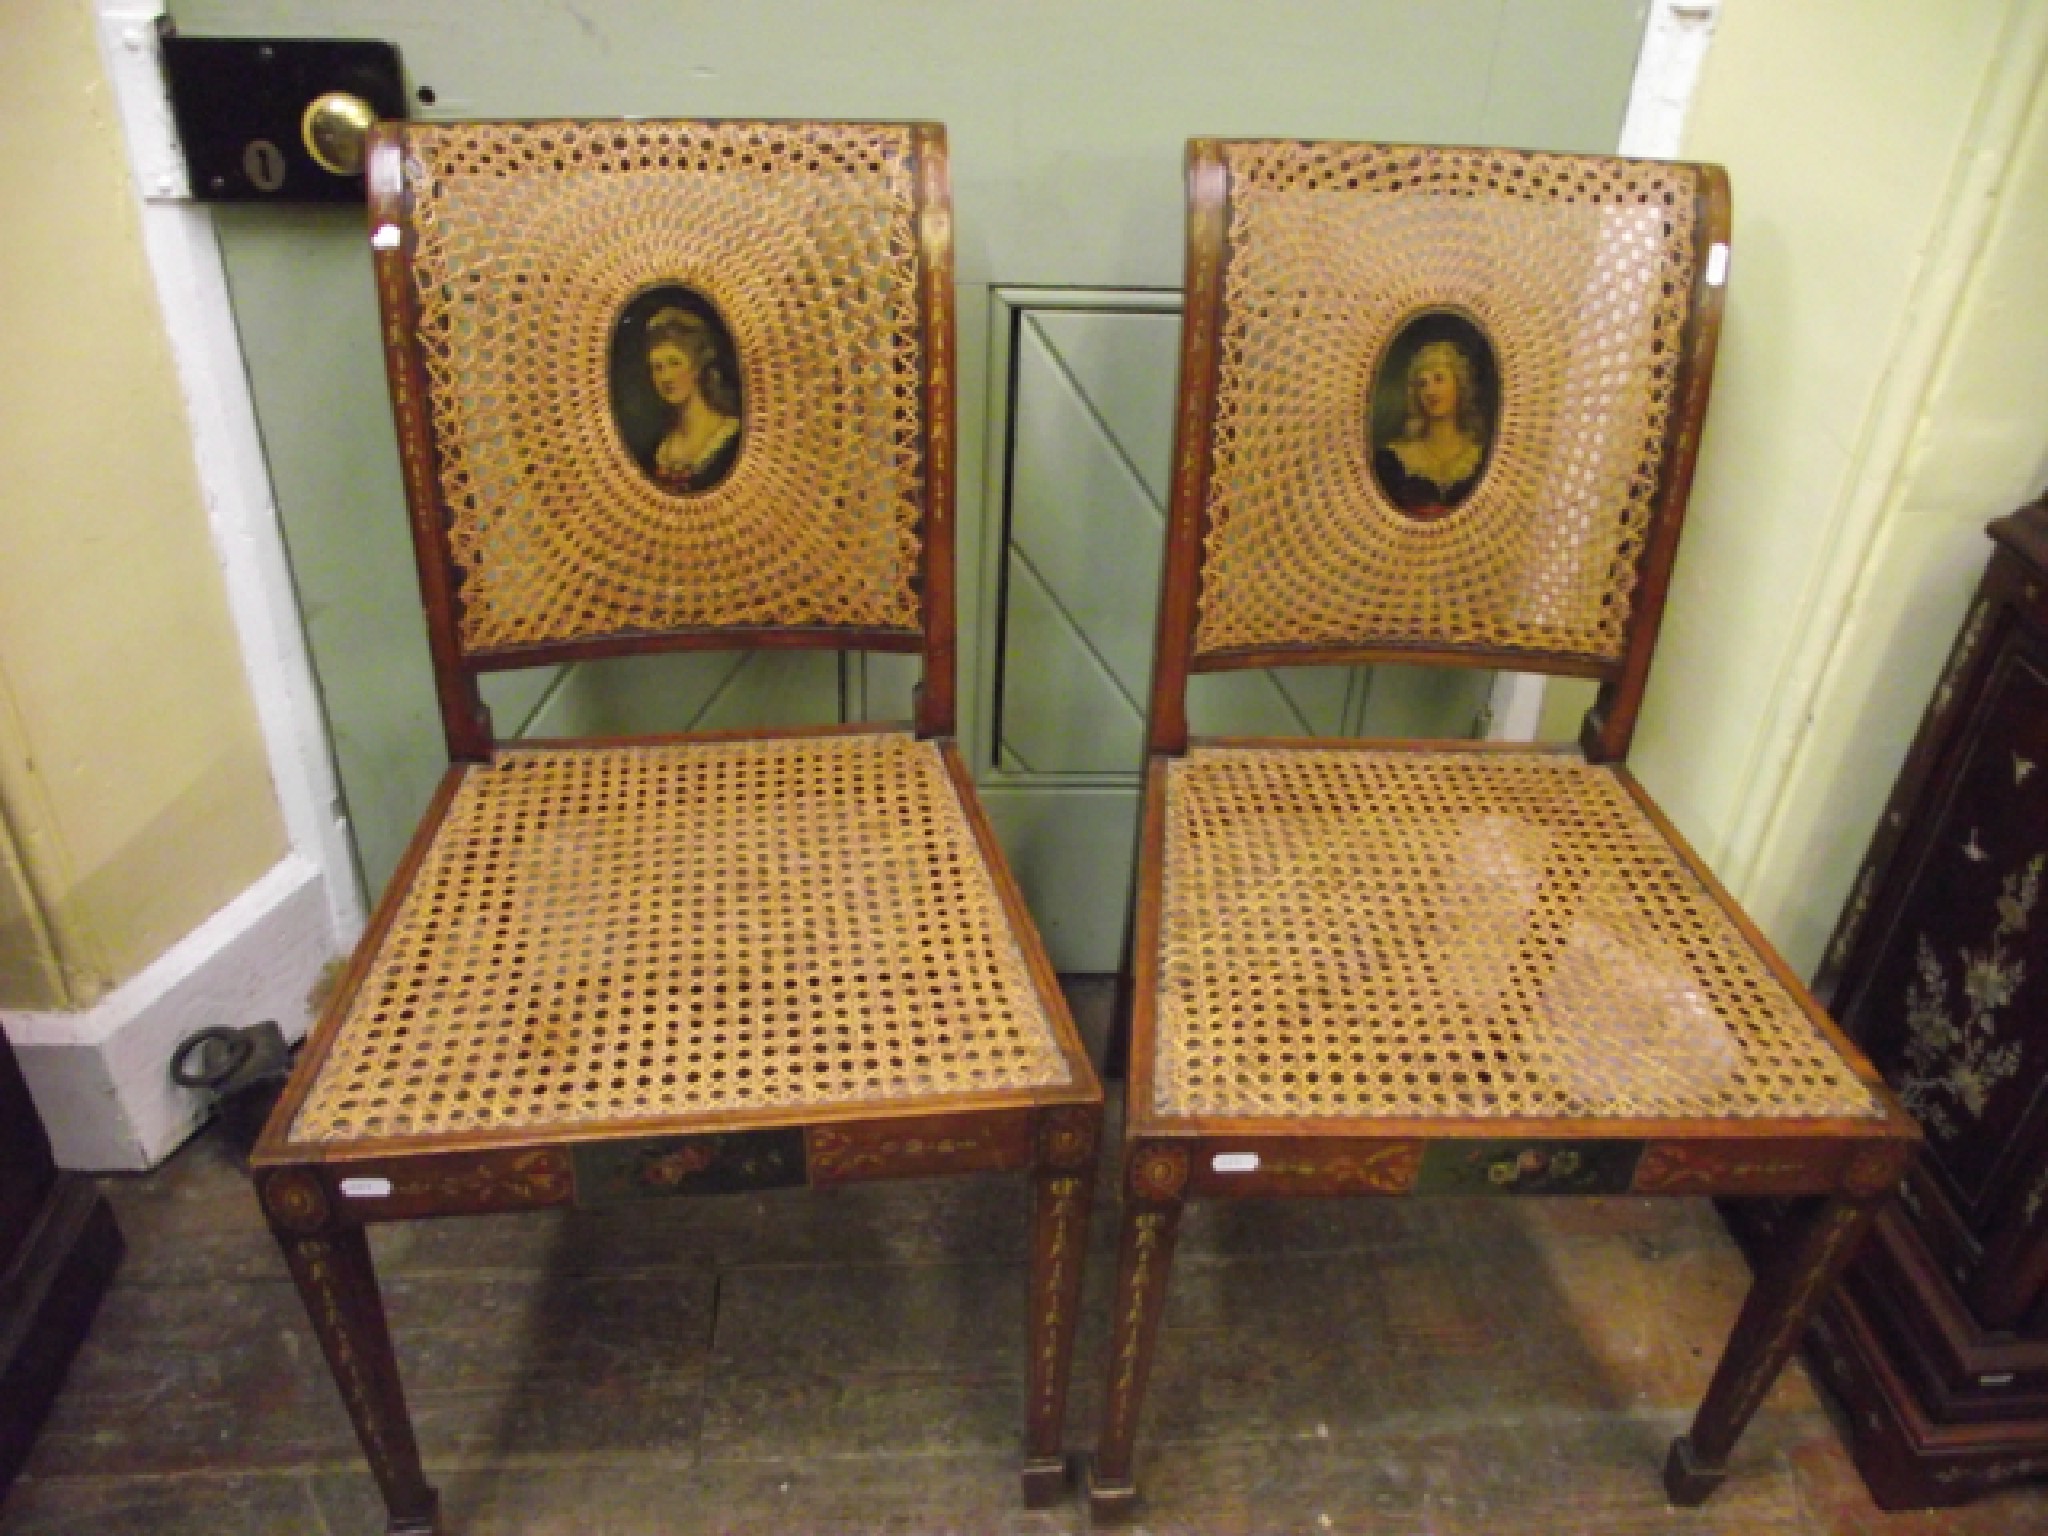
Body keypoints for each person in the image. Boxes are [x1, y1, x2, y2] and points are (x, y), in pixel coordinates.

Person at [1373, 337, 1487, 518]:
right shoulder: (1393, 461)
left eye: (1439, 379)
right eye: (1422, 384)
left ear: (1460, 386)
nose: (1430, 391)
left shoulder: (1482, 459)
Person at [644, 305, 741, 493]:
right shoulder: (659, 449)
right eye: (657, 367)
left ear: (696, 367)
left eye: (674, 363)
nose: (666, 377)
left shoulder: (731, 439)